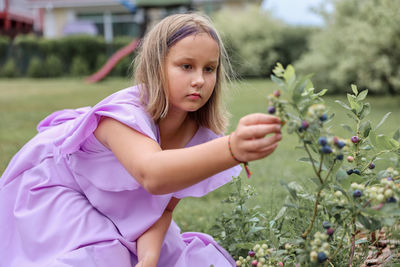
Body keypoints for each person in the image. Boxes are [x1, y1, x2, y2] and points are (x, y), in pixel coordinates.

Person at [0, 13, 282, 267]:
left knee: (184, 260)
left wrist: (148, 258)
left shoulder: (196, 137)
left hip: (110, 204)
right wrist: (232, 148)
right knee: (104, 254)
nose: (199, 79)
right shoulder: (123, 116)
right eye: (186, 66)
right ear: (156, 67)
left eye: (209, 69)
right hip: (54, 185)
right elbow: (153, 174)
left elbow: (161, 209)